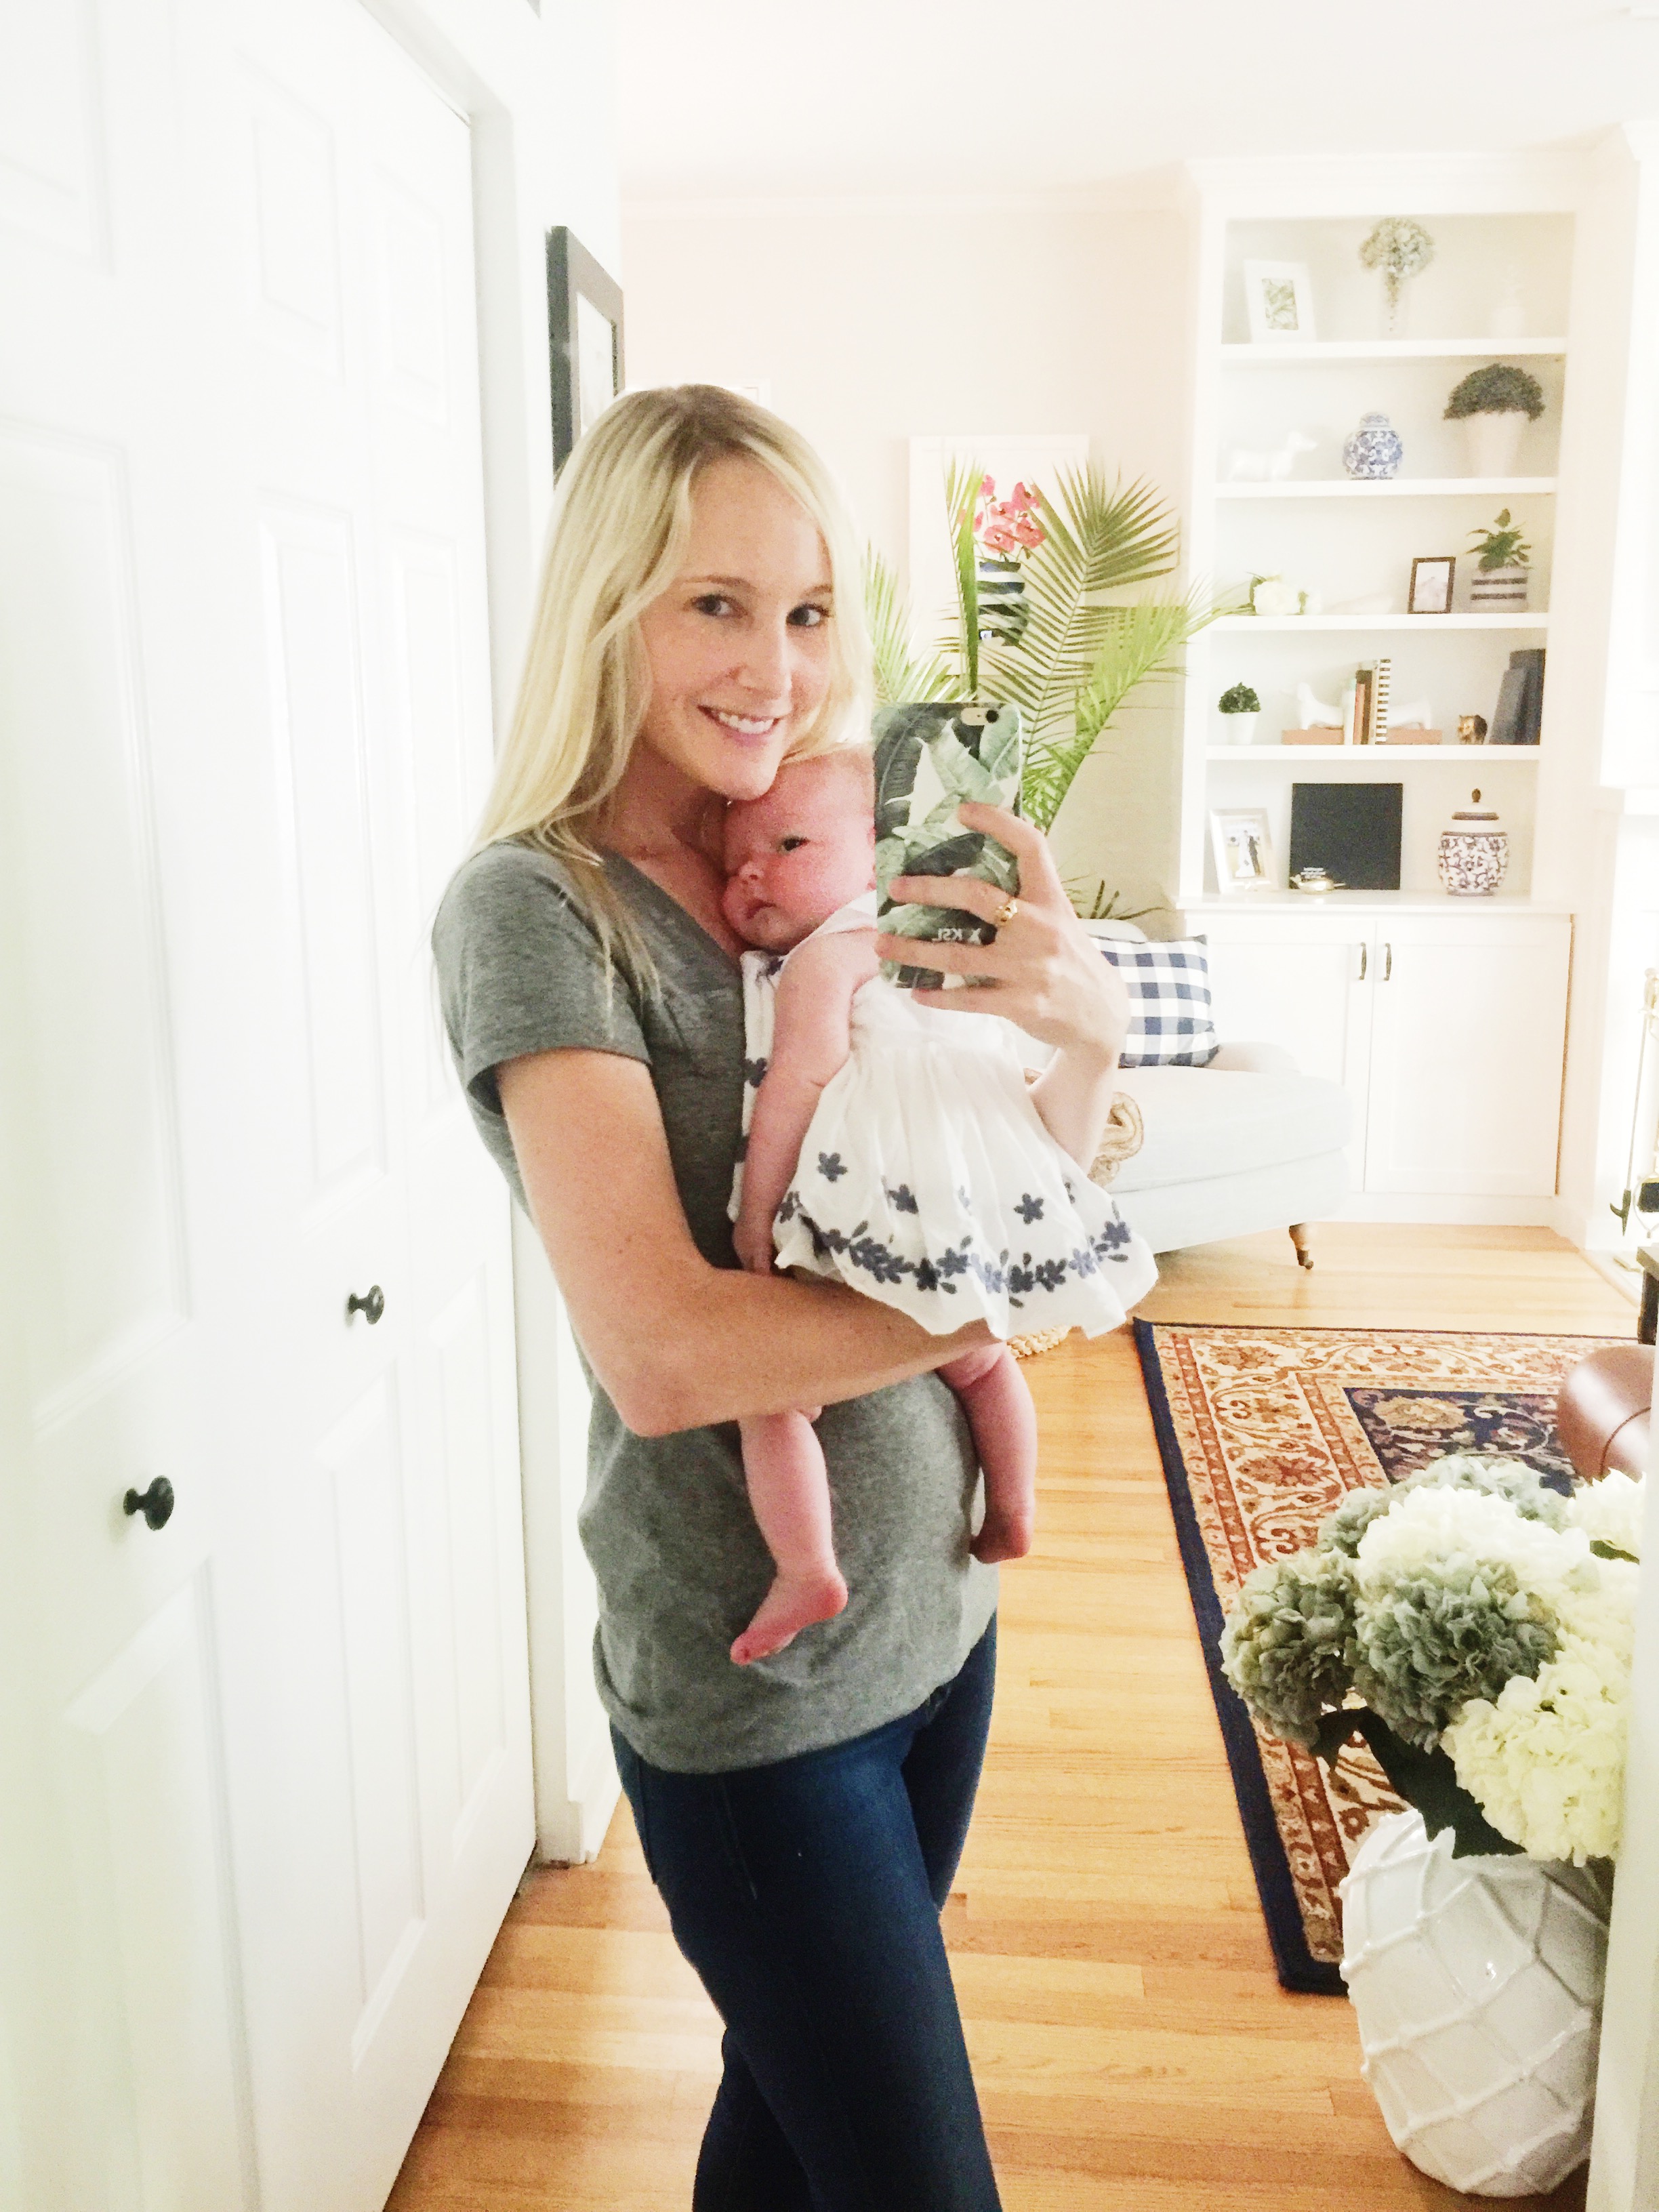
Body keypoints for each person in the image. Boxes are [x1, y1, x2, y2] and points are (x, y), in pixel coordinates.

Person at [432, 385, 1132, 2211]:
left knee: (785, 2130)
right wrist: (998, 1307)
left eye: (810, 610)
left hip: (941, 1621)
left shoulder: (852, 854)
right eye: (717, 606)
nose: (778, 668)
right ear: (610, 611)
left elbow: (1021, 1162)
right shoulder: (540, 911)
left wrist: (1087, 1039)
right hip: (758, 1706)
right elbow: (667, 1357)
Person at [720, 747, 1156, 1667]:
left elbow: (798, 1083)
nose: (752, 872)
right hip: (981, 1189)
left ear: (883, 852)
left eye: (788, 845)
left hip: (882, 1197)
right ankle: (1015, 1506)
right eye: (735, 862)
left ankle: (806, 1566)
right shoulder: (970, 959)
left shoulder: (827, 957)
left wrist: (756, 1213)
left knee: (773, 1396)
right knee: (986, 1364)